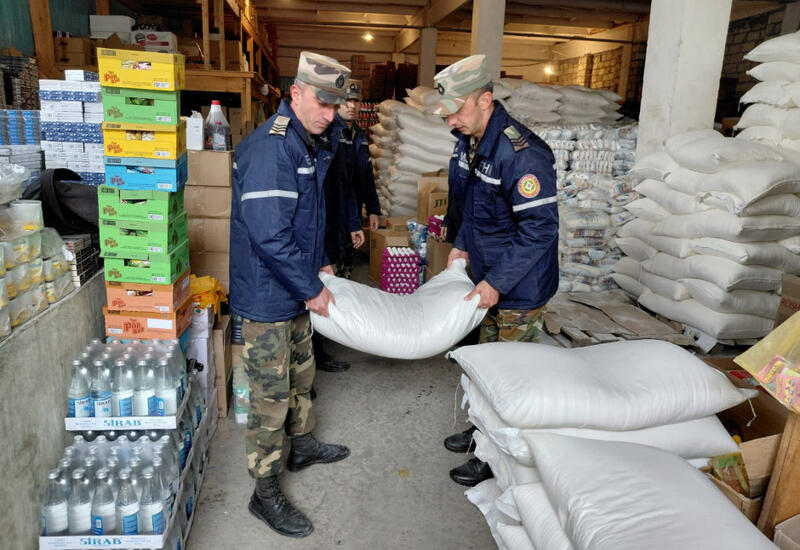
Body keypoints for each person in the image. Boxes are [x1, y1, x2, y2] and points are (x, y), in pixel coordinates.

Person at [229, 51, 353, 538]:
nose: (329, 113)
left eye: (335, 105)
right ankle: (263, 492)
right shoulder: (271, 149)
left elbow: (304, 216)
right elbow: (269, 235)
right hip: (268, 295)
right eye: (321, 102)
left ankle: (301, 447)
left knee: (302, 375)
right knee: (269, 396)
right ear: (295, 92)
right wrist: (311, 288)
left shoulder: (306, 143)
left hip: (295, 288)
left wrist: (319, 262)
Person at [433, 55, 559, 487]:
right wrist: (462, 248)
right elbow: (473, 206)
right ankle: (480, 433)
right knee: (485, 370)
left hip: (518, 289)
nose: (451, 121)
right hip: (487, 277)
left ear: (485, 100)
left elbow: (540, 231)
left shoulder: (522, 155)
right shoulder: (472, 141)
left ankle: (495, 458)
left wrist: (495, 283)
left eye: (457, 111)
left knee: (510, 382)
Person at [311, 99, 364, 373]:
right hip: (314, 229)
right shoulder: (304, 139)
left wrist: (355, 223)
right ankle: (315, 354)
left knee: (329, 284)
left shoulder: (339, 137)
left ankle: (320, 350)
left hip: (334, 226)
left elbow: (348, 185)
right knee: (314, 286)